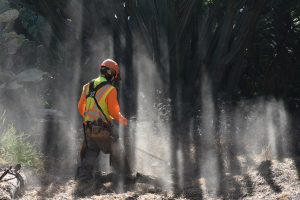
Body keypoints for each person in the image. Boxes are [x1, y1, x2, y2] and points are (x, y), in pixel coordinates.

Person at [76, 58, 131, 181]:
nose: (114, 79)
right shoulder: (110, 89)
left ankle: (83, 180)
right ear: (111, 73)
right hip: (103, 130)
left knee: (90, 151)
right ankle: (127, 178)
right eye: (115, 76)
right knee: (117, 150)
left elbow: (80, 107)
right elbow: (114, 112)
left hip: (89, 129)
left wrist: (90, 119)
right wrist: (125, 122)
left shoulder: (87, 87)